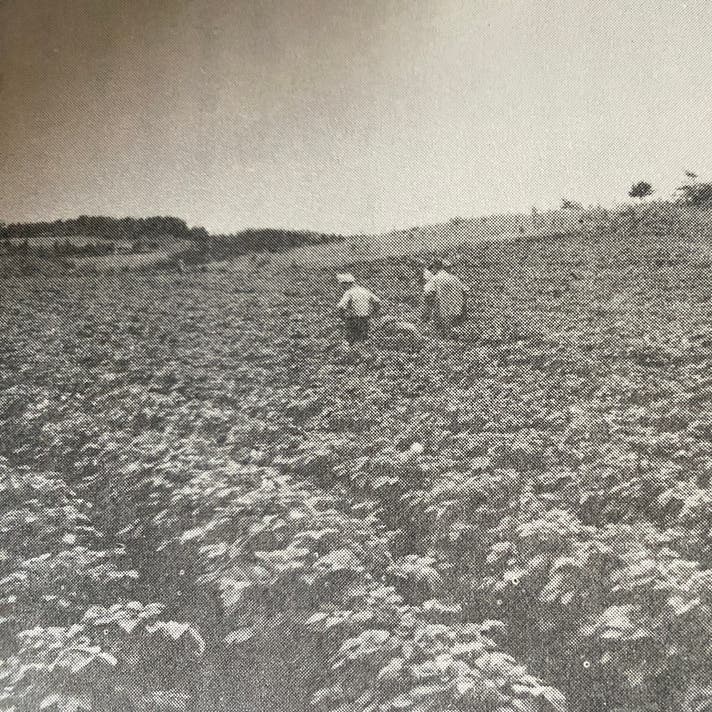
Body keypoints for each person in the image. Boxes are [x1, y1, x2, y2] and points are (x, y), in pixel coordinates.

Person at [422, 259, 469, 331]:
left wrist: (428, 311)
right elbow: (466, 291)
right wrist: (462, 305)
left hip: (441, 312)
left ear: (436, 268)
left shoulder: (435, 278)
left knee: (440, 332)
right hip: (456, 311)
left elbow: (428, 294)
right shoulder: (455, 278)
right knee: (452, 330)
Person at [336, 273, 381, 345]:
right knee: (364, 340)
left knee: (349, 341)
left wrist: (342, 317)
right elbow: (377, 302)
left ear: (346, 283)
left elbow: (341, 306)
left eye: (342, 285)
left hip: (353, 320)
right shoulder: (365, 290)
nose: (342, 287)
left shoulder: (349, 292)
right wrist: (373, 313)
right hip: (365, 319)